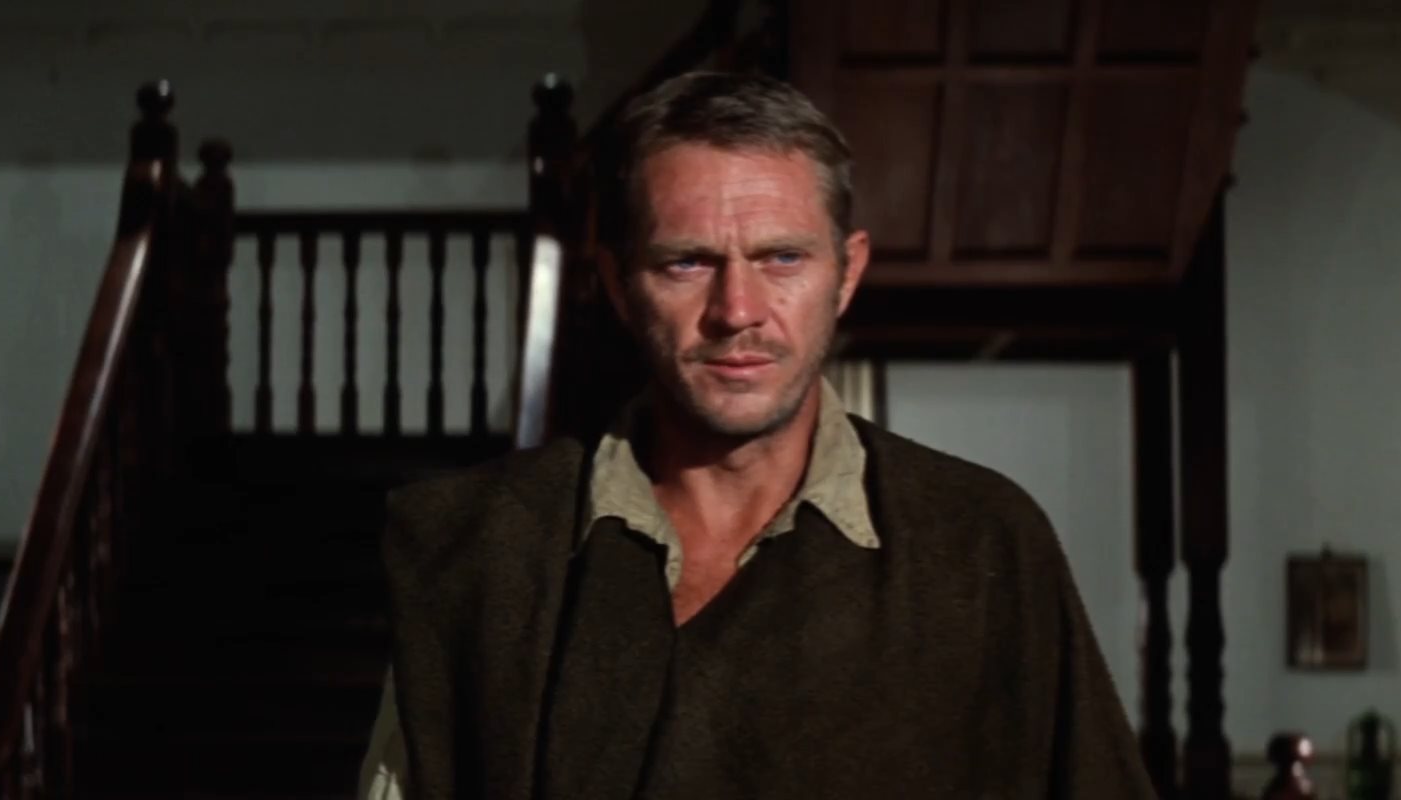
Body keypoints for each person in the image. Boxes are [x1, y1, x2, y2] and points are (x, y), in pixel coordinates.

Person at [359, 70, 1154, 800]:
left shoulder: (980, 544)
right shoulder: (480, 548)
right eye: (686, 263)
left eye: (782, 258)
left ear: (846, 273)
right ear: (618, 286)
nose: (737, 310)